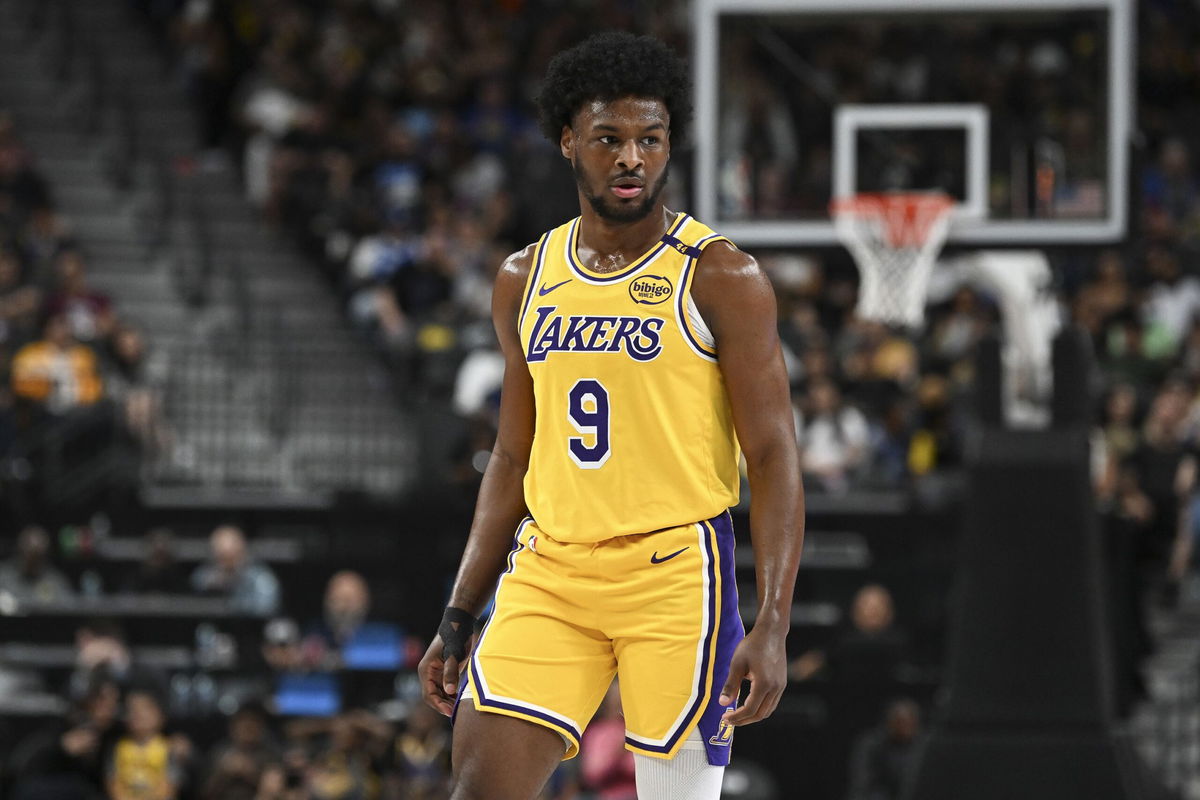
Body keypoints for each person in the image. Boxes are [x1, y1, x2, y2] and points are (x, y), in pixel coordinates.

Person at [417, 32, 804, 800]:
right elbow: (511, 458)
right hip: (551, 570)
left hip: (672, 574)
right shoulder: (523, 277)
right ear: (569, 142)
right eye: (609, 139)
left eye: (650, 139)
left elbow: (773, 454)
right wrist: (459, 613)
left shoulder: (722, 276)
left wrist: (774, 622)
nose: (632, 158)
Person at [190, 525, 281, 615]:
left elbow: (266, 607)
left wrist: (234, 602)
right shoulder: (206, 574)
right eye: (220, 557)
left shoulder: (260, 577)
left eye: (229, 557)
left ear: (241, 550)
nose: (224, 563)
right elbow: (191, 599)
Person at [0, 524, 74, 602]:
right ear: (20, 550)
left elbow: (66, 607)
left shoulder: (56, 582)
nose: (32, 560)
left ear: (45, 555)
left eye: (37, 555)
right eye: (29, 553)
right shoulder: (3, 577)